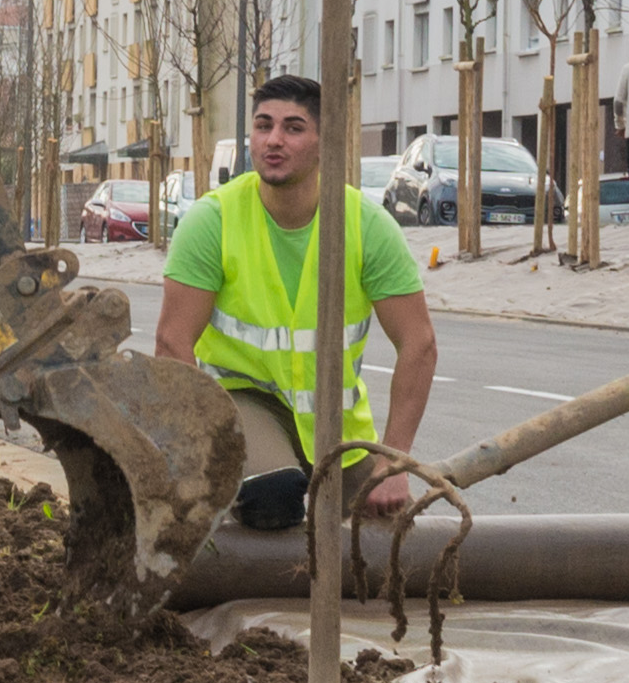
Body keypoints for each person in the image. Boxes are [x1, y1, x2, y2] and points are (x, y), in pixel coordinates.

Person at [169, 69, 438, 535]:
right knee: (272, 500)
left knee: (387, 532)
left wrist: (394, 461)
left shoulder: (366, 226)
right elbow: (172, 343)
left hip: (335, 421)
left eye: (293, 128)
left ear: (323, 142)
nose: (274, 139)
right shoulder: (213, 221)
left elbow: (419, 344)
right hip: (243, 406)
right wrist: (200, 455)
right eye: (263, 125)